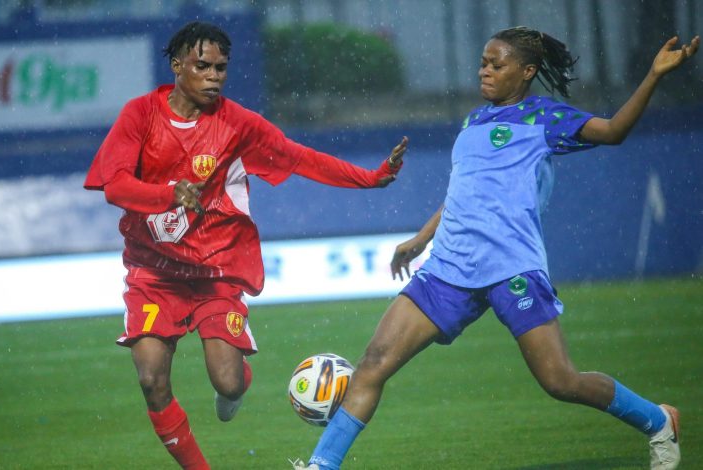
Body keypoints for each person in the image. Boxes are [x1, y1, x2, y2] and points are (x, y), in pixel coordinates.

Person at [293, 27, 699, 470]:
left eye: (496, 64)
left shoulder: (545, 118)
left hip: (512, 268)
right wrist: (422, 238)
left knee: (560, 381)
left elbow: (616, 130)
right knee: (373, 362)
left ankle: (658, 420)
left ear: (526, 72)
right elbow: (465, 193)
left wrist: (655, 75)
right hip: (448, 269)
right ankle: (322, 465)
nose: (484, 70)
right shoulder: (472, 122)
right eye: (484, 62)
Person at [83, 21, 407, 469]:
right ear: (177, 66)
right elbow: (114, 186)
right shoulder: (140, 115)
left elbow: (298, 157)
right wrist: (168, 192)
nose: (214, 76)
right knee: (152, 379)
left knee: (229, 382)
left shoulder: (236, 124)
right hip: (153, 273)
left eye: (221, 67)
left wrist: (369, 179)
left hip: (214, 273)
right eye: (203, 66)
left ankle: (234, 385)